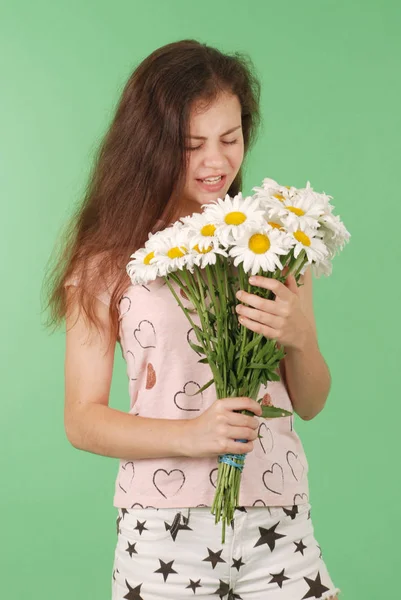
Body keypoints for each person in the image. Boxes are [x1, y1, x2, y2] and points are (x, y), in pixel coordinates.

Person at [44, 39, 340, 599]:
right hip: (161, 533)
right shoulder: (108, 258)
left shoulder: (274, 240)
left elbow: (312, 400)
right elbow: (81, 419)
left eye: (230, 140)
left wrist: (300, 338)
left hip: (279, 520)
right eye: (191, 145)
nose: (217, 162)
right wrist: (192, 436)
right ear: (151, 146)